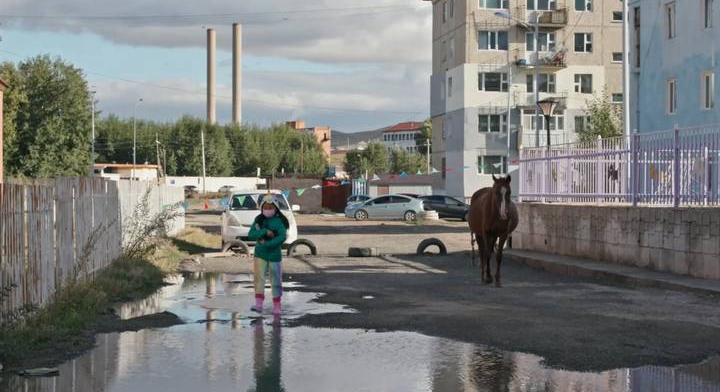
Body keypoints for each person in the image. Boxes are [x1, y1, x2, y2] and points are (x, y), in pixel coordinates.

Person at [248, 194, 289, 315]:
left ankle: (277, 305)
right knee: (259, 279)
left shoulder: (280, 221)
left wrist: (269, 244)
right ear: (262, 208)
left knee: (276, 280)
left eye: (270, 207)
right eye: (265, 207)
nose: (268, 210)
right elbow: (251, 234)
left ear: (276, 208)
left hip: (274, 255)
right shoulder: (258, 220)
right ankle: (258, 304)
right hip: (260, 255)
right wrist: (264, 231)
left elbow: (282, 236)